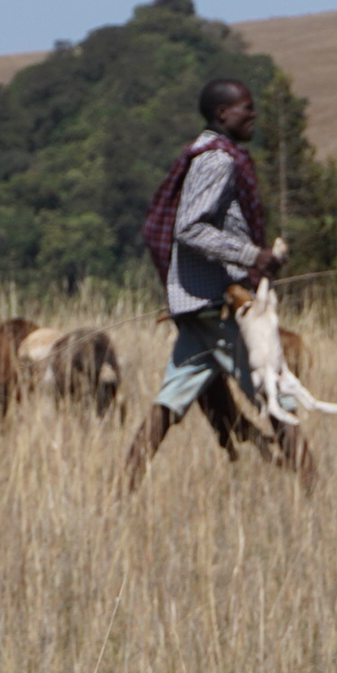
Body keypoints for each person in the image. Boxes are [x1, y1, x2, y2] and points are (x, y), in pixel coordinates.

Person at [124, 78, 317, 493]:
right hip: (219, 306)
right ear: (222, 114)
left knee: (168, 404)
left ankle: (118, 493)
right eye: (246, 108)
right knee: (275, 396)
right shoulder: (218, 160)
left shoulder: (205, 154)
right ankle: (317, 498)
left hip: (199, 307)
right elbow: (189, 227)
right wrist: (253, 256)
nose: (253, 115)